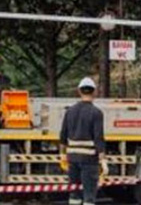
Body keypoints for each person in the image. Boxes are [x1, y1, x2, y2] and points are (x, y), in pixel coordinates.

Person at [59, 76, 107, 205]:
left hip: (72, 158)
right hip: (89, 160)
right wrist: (103, 160)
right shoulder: (97, 113)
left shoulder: (70, 111)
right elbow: (98, 138)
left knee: (74, 193)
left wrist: (63, 155)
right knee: (89, 195)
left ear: (79, 91)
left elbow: (63, 135)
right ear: (94, 92)